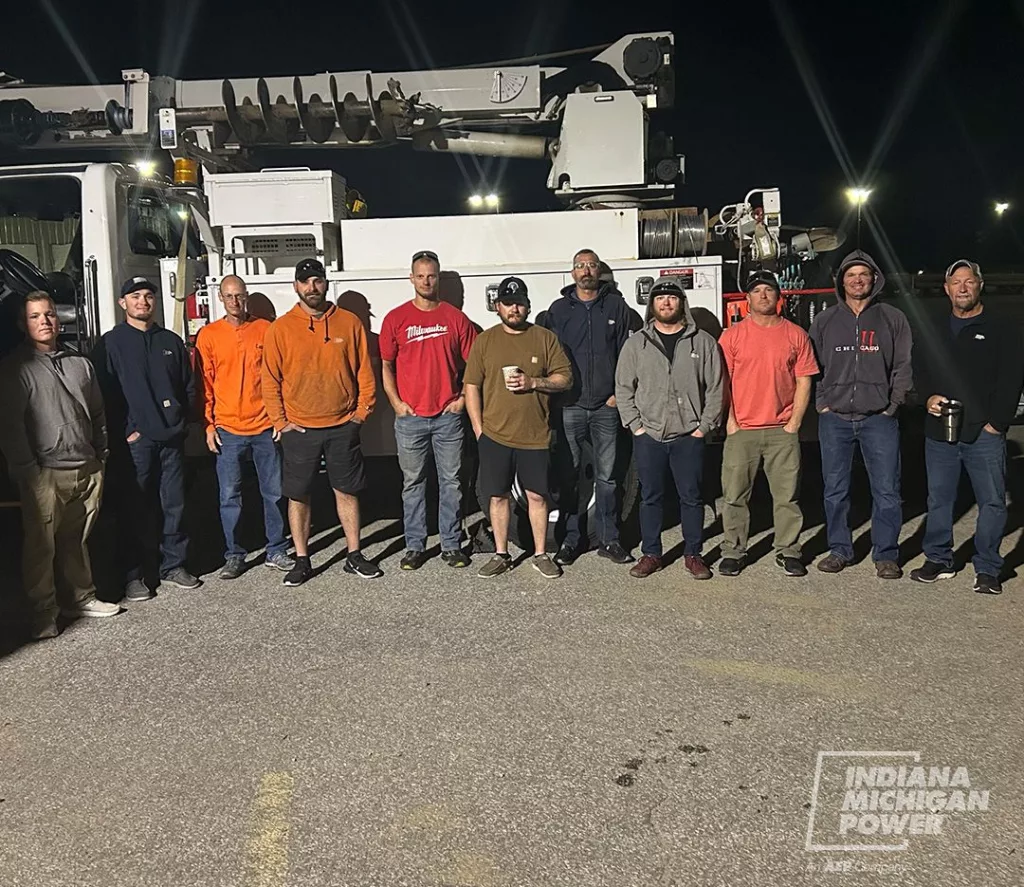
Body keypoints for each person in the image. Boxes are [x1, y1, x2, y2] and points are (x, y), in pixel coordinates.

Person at [0, 292, 120, 639]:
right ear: (24, 324)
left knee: (76, 540)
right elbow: (11, 427)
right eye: (36, 316)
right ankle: (43, 613)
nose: (45, 321)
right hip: (45, 472)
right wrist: (29, 470)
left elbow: (97, 412)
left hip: (86, 465)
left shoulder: (79, 363)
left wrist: (101, 454)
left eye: (49, 314)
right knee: (41, 547)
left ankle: (81, 598)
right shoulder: (14, 368)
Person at [261, 258, 380, 586]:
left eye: (317, 281)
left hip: (343, 424)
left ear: (326, 284)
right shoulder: (281, 328)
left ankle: (353, 555)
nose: (312, 287)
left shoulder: (349, 322)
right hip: (299, 428)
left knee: (347, 490)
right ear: (295, 287)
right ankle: (302, 559)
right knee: (299, 495)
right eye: (305, 282)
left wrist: (360, 415)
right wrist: (281, 422)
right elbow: (269, 379)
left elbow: (364, 373)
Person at [911, 259, 1024, 594]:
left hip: (983, 432)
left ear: (980, 285)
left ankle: (988, 567)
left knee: (991, 501)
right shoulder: (933, 326)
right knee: (939, 499)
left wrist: (997, 424)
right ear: (946, 289)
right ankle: (939, 558)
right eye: (955, 283)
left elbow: (1011, 378)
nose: (962, 288)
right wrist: (926, 396)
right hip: (940, 430)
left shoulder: (1001, 327)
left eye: (968, 282)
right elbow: (920, 368)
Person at [92, 277, 200, 601]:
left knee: (174, 505)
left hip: (171, 440)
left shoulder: (170, 341)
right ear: (123, 303)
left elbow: (187, 385)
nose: (143, 301)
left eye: (149, 296)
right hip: (136, 443)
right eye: (135, 296)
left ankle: (173, 565)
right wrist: (126, 431)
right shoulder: (111, 343)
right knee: (135, 507)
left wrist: (182, 422)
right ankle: (134, 574)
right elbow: (103, 393)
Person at [808, 250, 913, 579]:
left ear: (874, 279)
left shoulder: (891, 318)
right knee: (835, 489)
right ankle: (839, 549)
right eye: (851, 275)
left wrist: (892, 405)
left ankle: (886, 554)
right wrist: (822, 403)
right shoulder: (824, 321)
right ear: (841, 281)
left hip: (878, 418)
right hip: (834, 418)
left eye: (863, 275)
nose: (857, 280)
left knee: (887, 490)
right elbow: (812, 368)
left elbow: (903, 366)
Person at [464, 276, 572, 579]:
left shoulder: (544, 338)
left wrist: (534, 382)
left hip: (535, 435)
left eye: (520, 303)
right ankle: (501, 554)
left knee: (537, 496)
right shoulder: (486, 340)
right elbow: (471, 386)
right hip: (495, 435)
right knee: (497, 496)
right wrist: (478, 429)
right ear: (498, 307)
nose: (515, 308)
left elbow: (565, 378)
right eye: (508, 303)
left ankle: (540, 554)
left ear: (528, 305)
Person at [615, 277, 723, 580]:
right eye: (660, 298)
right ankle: (651, 553)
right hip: (649, 434)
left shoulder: (702, 342)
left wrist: (704, 427)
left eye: (672, 297)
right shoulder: (637, 343)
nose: (666, 302)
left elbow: (715, 388)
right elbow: (623, 387)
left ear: (681, 303)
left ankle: (693, 554)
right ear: (652, 305)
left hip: (689, 435)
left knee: (691, 497)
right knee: (651, 496)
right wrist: (635, 426)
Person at [379, 250, 477, 570]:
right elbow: (386, 364)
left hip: (448, 416)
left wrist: (461, 397)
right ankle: (415, 546)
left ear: (439, 279)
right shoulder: (396, 319)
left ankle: (451, 544)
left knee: (451, 482)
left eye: (431, 275)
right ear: (411, 278)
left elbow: (475, 365)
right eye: (420, 275)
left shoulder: (455, 318)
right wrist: (396, 403)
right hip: (411, 419)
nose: (426, 281)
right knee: (413, 484)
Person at [717, 270, 819, 577]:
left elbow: (804, 381)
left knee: (787, 496)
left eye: (769, 290)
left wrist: (794, 423)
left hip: (781, 430)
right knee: (735, 495)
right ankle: (734, 550)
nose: (763, 295)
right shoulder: (732, 336)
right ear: (747, 299)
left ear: (779, 297)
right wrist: (731, 422)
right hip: (742, 430)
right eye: (757, 291)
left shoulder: (796, 334)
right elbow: (723, 382)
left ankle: (788, 550)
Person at [194, 275, 295, 580]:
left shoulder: (266, 329)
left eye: (240, 296)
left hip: (265, 426)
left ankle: (276, 549)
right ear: (221, 299)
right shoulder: (209, 336)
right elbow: (205, 384)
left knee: (274, 492)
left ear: (246, 297)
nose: (235, 302)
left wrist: (281, 418)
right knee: (229, 496)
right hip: (228, 428)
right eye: (229, 296)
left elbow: (281, 377)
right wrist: (209, 425)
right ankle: (235, 554)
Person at [541, 248, 634, 566]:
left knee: (608, 478)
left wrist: (619, 395)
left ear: (599, 272)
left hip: (606, 406)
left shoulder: (616, 306)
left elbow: (627, 353)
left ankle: (610, 541)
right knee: (570, 476)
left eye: (591, 265)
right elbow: (550, 356)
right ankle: (570, 541)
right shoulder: (558, 310)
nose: (586, 270)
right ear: (572, 273)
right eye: (580, 266)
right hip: (571, 407)